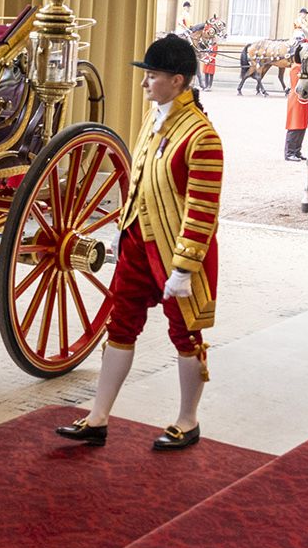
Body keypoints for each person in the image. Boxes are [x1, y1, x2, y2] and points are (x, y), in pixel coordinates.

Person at [57, 34, 221, 451]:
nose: (145, 83)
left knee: (186, 335)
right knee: (121, 325)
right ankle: (98, 416)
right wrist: (122, 227)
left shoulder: (203, 138)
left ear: (178, 81)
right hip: (136, 240)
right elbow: (140, 179)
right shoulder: (154, 118)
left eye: (153, 75)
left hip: (176, 252)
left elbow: (203, 210)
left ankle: (188, 419)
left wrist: (184, 268)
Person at [283, 61, 307, 161]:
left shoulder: (304, 66)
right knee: (294, 125)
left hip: (304, 98)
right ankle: (289, 153)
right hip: (296, 98)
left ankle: (297, 151)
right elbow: (298, 83)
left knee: (302, 126)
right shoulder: (296, 67)